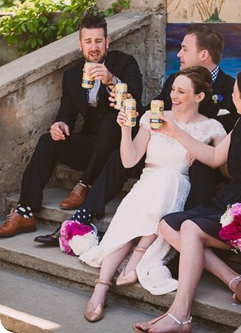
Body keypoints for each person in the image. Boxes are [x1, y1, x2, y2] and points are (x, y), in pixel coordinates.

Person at [36, 24, 238, 246]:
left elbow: (230, 137)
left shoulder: (231, 89)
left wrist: (199, 147)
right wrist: (125, 107)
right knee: (120, 154)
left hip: (198, 162)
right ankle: (83, 217)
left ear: (203, 54)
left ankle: (183, 234)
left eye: (184, 49)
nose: (178, 54)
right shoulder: (174, 80)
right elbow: (153, 111)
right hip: (164, 149)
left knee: (199, 167)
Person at [133, 66, 241, 333]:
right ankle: (234, 279)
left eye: (234, 94)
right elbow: (213, 158)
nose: (230, 96)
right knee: (168, 224)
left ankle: (180, 315)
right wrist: (175, 132)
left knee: (189, 228)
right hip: (228, 204)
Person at [79, 67, 227, 323]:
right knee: (131, 220)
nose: (174, 96)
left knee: (168, 177)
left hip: (176, 190)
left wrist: (200, 151)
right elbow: (130, 160)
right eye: (173, 89)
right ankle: (101, 288)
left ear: (199, 97)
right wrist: (126, 129)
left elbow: (224, 167)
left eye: (181, 91)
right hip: (146, 186)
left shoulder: (211, 127)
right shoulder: (152, 116)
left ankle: (134, 259)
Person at [0, 14, 143, 238]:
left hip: (120, 149)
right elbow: (66, 113)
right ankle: (25, 211)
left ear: (107, 42)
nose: (93, 47)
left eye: (98, 41)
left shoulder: (124, 63)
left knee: (111, 120)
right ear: (80, 44)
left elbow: (136, 96)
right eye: (88, 41)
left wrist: (111, 80)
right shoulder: (72, 75)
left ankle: (85, 184)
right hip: (92, 146)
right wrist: (61, 124)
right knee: (48, 140)